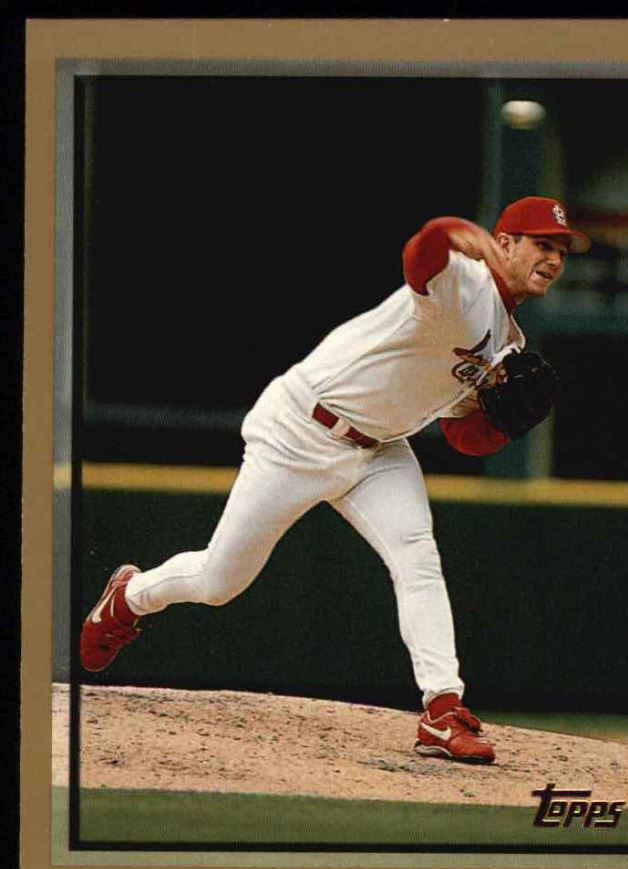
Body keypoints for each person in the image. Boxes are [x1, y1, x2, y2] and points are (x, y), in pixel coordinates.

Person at [80, 196, 591, 765]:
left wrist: (502, 426)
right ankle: (130, 597)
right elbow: (419, 257)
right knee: (220, 579)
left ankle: (443, 711)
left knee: (417, 558)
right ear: (505, 243)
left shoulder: (509, 345)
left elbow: (461, 436)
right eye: (542, 244)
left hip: (379, 450)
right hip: (301, 430)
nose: (554, 259)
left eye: (562, 251)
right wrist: (449, 230)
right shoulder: (465, 282)